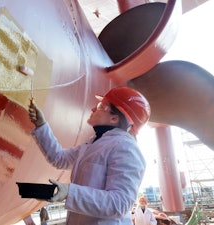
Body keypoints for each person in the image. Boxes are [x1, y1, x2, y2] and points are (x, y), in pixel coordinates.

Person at [28, 86, 151, 225]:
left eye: (101, 106)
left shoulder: (126, 148)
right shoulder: (92, 144)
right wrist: (41, 125)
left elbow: (119, 204)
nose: (93, 109)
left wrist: (70, 192)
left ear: (114, 118)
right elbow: (59, 159)